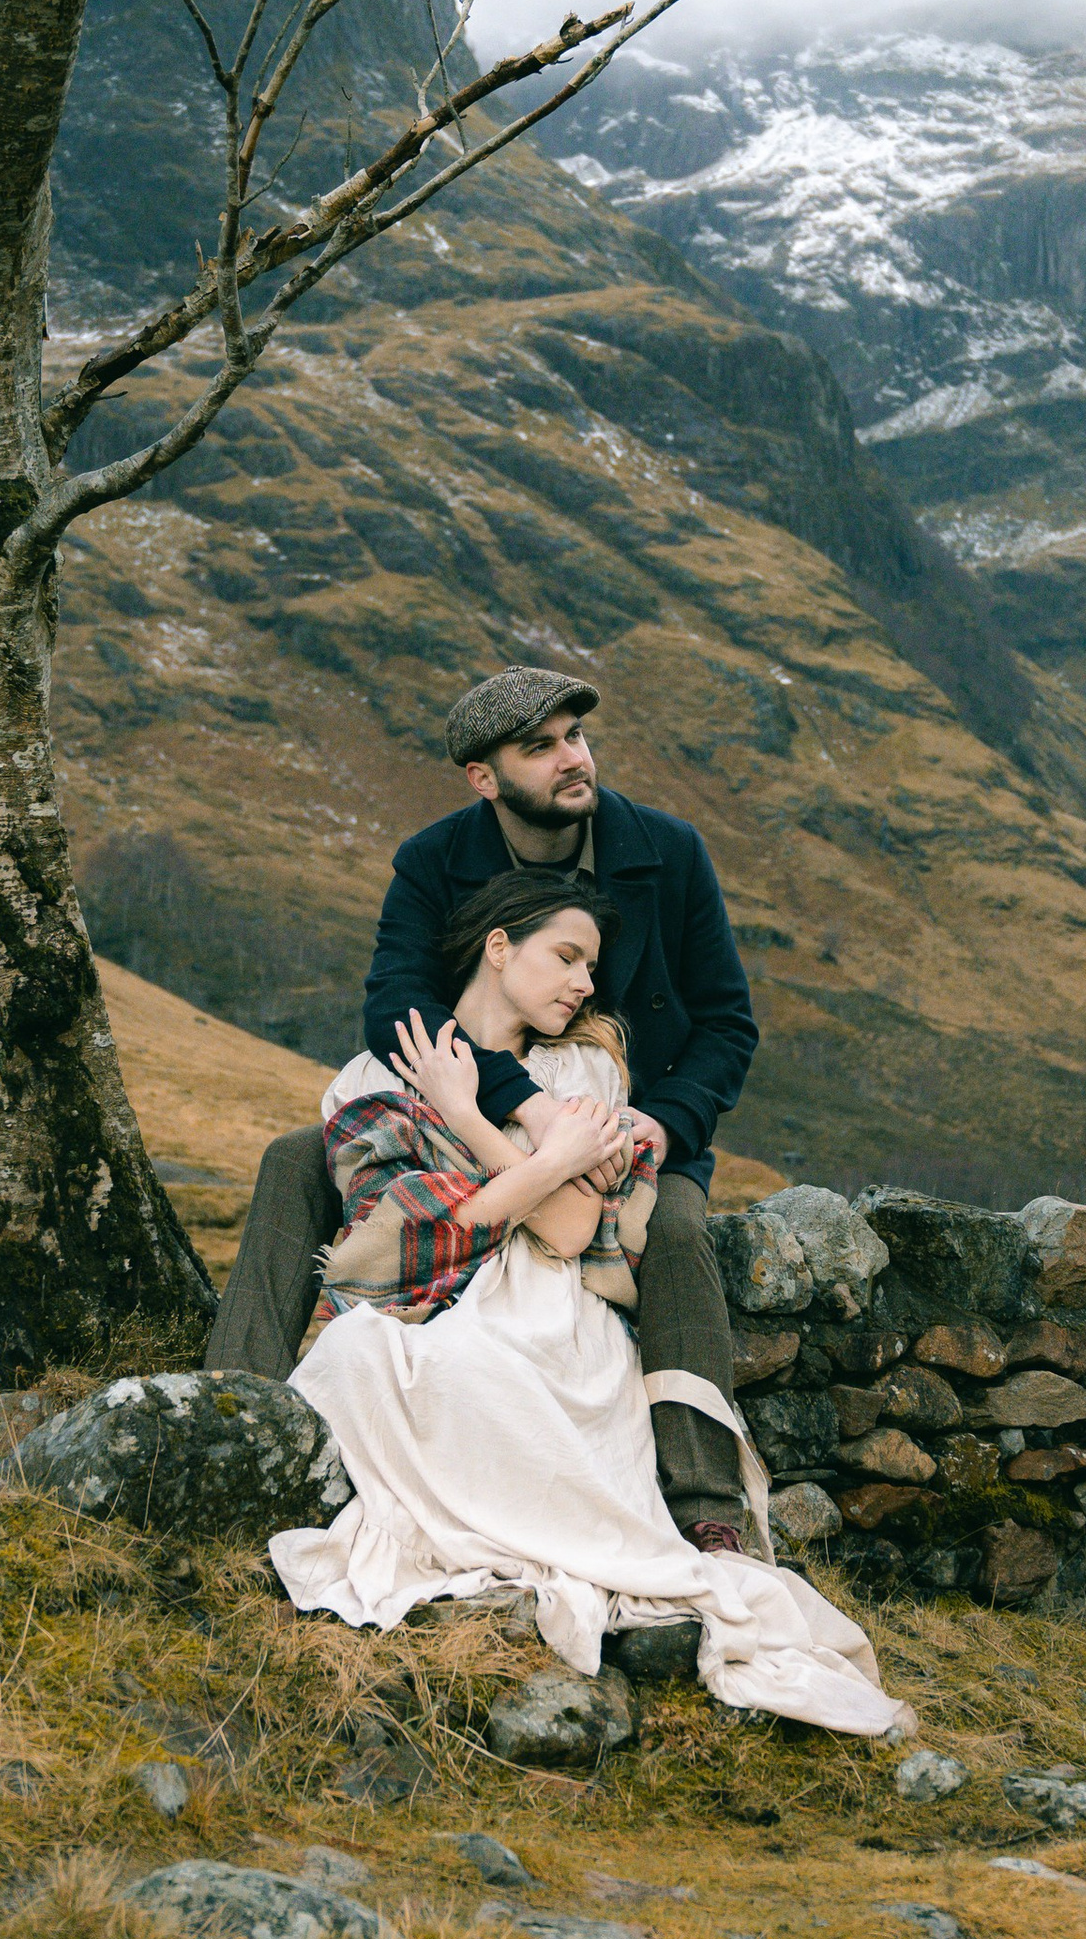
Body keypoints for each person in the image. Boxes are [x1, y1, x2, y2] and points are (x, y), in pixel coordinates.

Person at [267, 865, 909, 1740]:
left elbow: (568, 1229)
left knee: (517, 1370)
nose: (582, 984)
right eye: (566, 956)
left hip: (556, 1303)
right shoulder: (377, 1076)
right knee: (375, 1358)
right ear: (499, 947)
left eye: (590, 969)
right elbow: (407, 1243)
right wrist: (498, 1131)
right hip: (447, 1298)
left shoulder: (582, 1074)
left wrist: (485, 1126)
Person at [208, 662, 762, 1551]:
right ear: (484, 777)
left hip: (631, 1126)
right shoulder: (434, 862)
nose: (571, 758)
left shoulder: (670, 849)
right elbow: (395, 1002)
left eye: (575, 736)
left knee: (683, 1233)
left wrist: (666, 1119)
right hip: (469, 1104)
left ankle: (706, 1504)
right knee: (291, 1156)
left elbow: (727, 1024)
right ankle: (227, 1412)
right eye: (538, 747)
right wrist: (522, 1104)